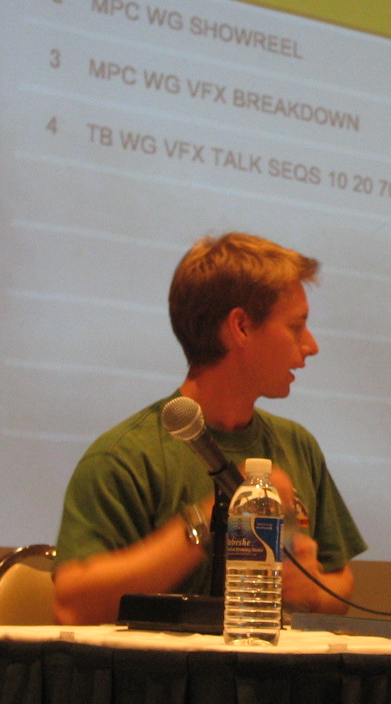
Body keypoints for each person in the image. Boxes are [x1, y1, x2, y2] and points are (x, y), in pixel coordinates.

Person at [53, 232, 367, 625]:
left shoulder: (297, 444)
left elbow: (341, 582)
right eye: (296, 326)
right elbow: (72, 607)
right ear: (241, 327)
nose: (311, 345)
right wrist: (214, 515)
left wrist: (313, 592)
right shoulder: (126, 456)